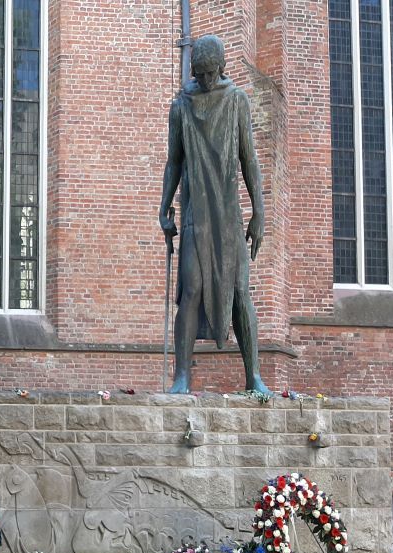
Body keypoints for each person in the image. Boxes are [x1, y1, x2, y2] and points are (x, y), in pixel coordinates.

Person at [158, 35, 270, 394]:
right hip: (195, 214)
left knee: (239, 291)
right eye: (200, 74)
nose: (205, 81)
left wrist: (259, 212)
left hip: (227, 216)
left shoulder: (236, 101)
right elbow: (174, 162)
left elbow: (248, 158)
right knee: (190, 289)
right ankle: (181, 377)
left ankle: (253, 376)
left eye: (210, 74)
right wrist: (164, 208)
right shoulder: (181, 106)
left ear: (222, 68)